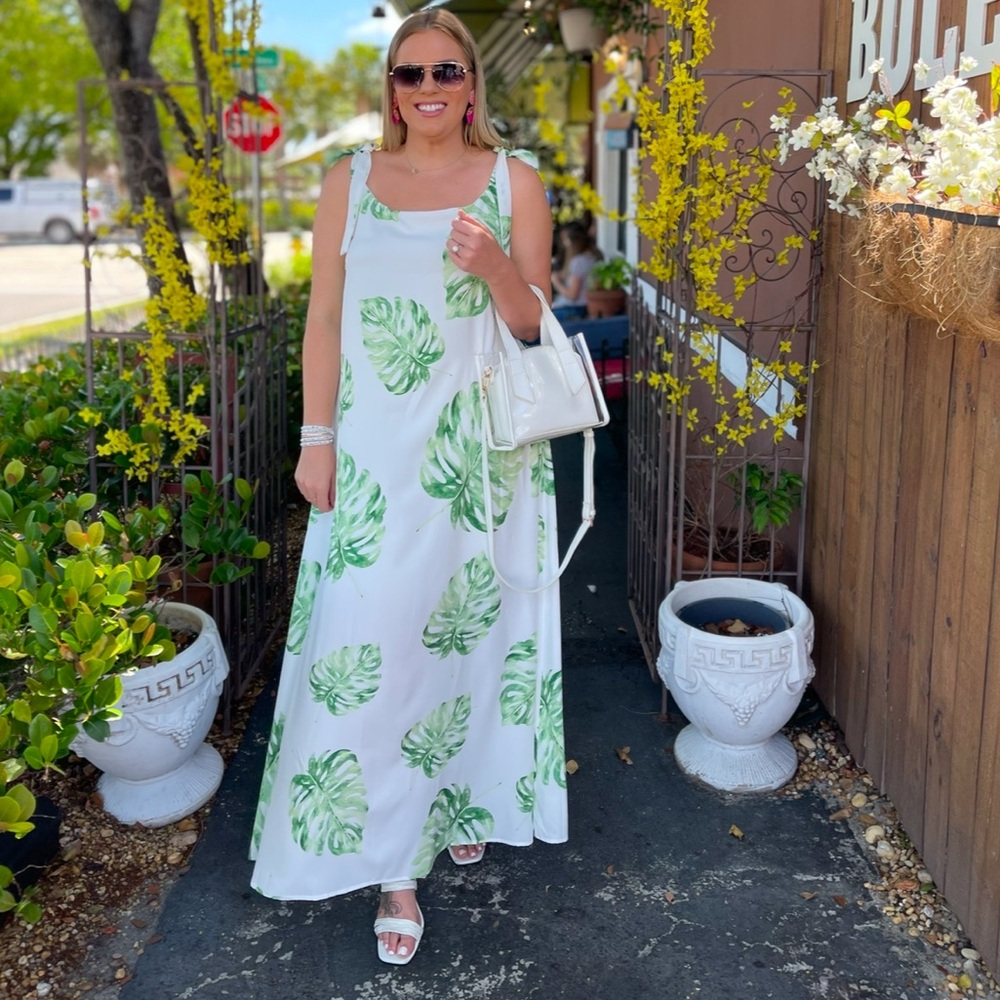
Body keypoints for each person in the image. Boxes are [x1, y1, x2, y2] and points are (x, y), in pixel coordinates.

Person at [249, 8, 567, 967]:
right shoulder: (349, 181)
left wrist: (498, 265)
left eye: (446, 70)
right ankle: (394, 862)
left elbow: (534, 326)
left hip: (483, 458)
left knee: (472, 633)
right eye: (408, 72)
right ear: (390, 87)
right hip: (378, 457)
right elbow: (325, 322)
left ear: (473, 84)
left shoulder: (518, 183)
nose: (427, 87)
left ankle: (459, 793)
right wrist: (317, 440)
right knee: (377, 637)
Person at [551, 220, 601, 320]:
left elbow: (572, 295)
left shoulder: (578, 261)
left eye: (565, 240)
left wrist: (555, 281)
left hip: (574, 310)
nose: (564, 244)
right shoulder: (592, 256)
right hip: (584, 307)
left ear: (573, 240)